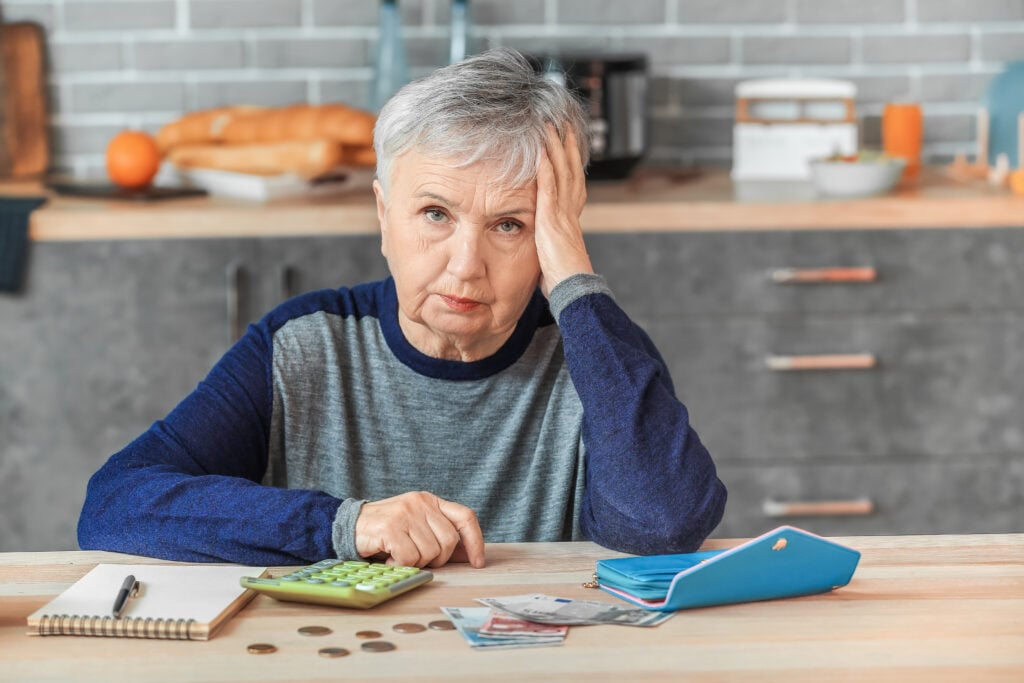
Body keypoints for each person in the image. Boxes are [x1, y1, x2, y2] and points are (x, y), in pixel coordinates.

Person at [78, 48, 726, 568]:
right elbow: (115, 503)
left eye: (511, 225)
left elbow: (663, 521)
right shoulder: (303, 346)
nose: (466, 264)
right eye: (435, 214)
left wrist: (574, 278)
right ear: (385, 214)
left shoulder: (593, 354)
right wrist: (347, 524)